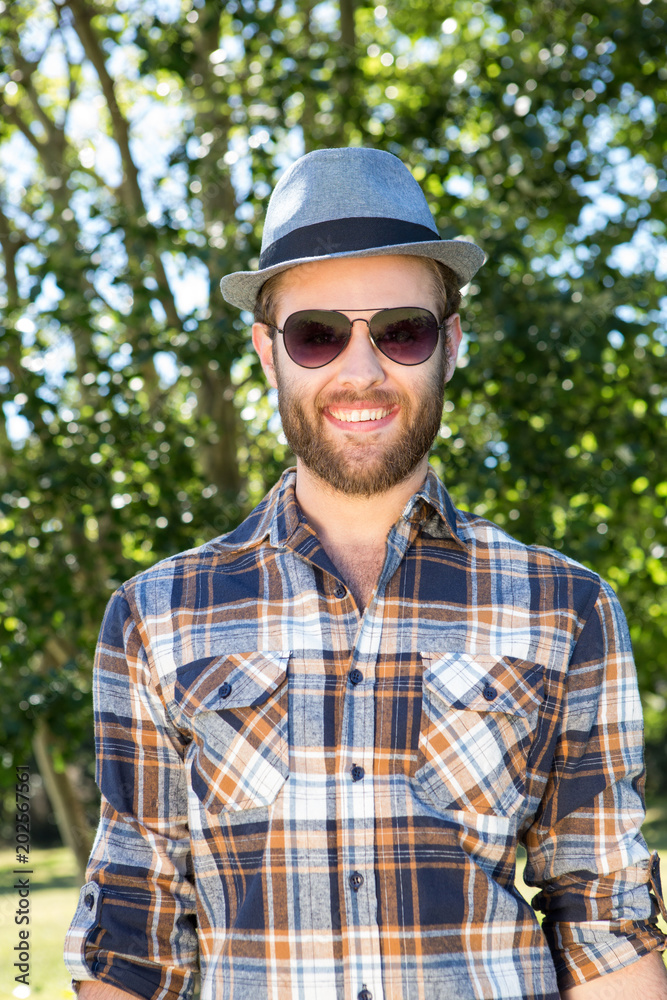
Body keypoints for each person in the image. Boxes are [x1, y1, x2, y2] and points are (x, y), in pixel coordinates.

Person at [65, 147, 666, 1000]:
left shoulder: (567, 608)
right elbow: (134, 933)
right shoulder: (153, 617)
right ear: (267, 353)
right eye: (316, 334)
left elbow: (605, 924)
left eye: (400, 330)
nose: (360, 370)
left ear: (448, 344)